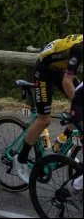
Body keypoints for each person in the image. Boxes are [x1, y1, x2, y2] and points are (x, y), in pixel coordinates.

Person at [14, 34, 83, 184]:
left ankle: (62, 142)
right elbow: (67, 82)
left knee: (78, 106)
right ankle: (21, 159)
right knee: (44, 120)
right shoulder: (79, 49)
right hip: (44, 71)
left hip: (61, 68)